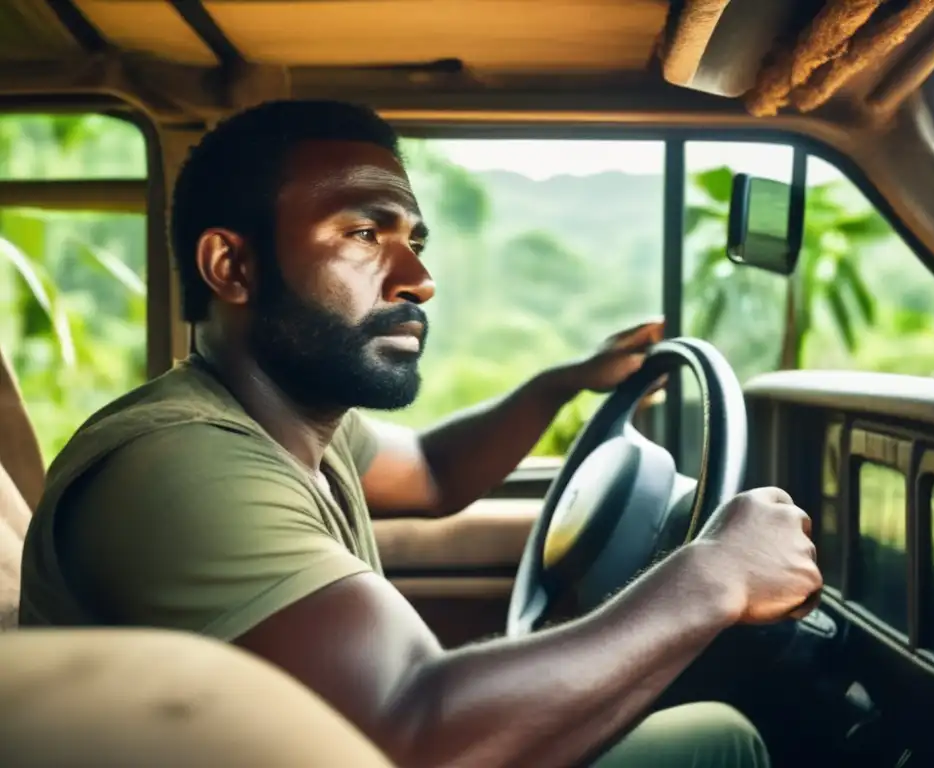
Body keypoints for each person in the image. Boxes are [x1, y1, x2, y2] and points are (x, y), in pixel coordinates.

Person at [19, 100, 822, 768]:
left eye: (415, 239)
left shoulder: (294, 422)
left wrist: (563, 383)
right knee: (722, 746)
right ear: (232, 267)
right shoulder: (176, 466)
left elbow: (436, 472)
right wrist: (715, 575)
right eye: (365, 234)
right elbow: (410, 739)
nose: (418, 279)